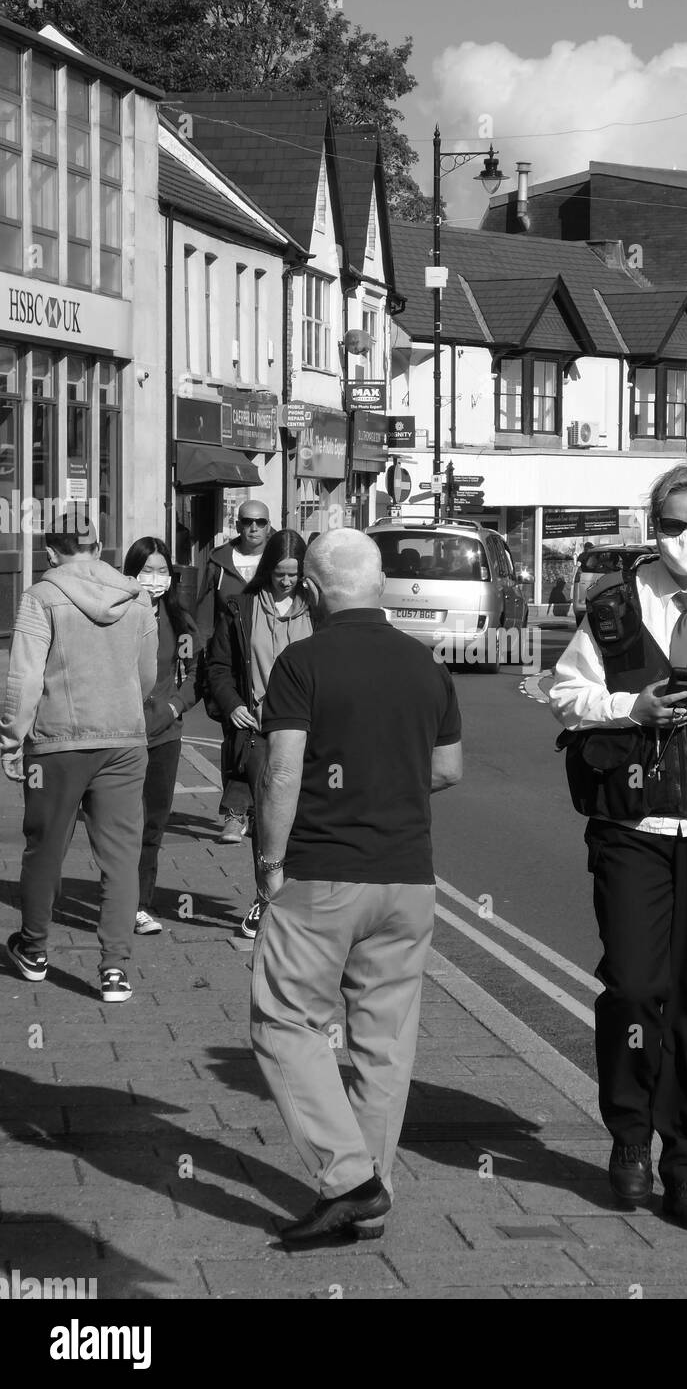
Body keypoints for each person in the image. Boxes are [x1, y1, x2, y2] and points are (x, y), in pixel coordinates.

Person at [548, 464, 687, 1230]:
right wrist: (627, 705)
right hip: (631, 830)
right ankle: (629, 1140)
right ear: (651, 525)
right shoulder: (610, 610)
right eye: (672, 525)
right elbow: (564, 693)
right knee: (634, 988)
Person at [250, 529, 462, 1242]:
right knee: (384, 1042)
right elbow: (447, 769)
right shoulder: (425, 665)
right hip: (407, 880)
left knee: (285, 1023)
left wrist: (269, 864)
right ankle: (373, 1194)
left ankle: (349, 1180)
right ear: (380, 585)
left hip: (320, 872)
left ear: (310, 592)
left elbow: (282, 770)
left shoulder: (300, 661)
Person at [0, 509, 157, 1003]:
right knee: (121, 856)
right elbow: (146, 675)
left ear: (52, 552)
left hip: (59, 742)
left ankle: (34, 949)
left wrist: (10, 737)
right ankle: (114, 969)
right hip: (125, 740)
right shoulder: (136, 598)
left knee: (45, 848)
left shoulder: (41, 597)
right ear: (99, 546)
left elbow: (24, 676)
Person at [206, 529, 314, 938]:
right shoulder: (241, 607)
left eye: (294, 574)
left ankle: (297, 898)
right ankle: (264, 898)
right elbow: (217, 666)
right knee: (268, 820)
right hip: (261, 731)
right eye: (279, 573)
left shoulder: (317, 610)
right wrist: (232, 703)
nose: (286, 581)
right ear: (267, 569)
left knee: (304, 818)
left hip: (309, 731)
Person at [122, 537, 203, 936]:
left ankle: (139, 904)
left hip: (164, 735)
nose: (154, 580)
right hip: (121, 734)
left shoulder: (179, 621)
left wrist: (175, 707)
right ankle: (116, 897)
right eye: (145, 571)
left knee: (153, 823)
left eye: (161, 571)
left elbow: (195, 678)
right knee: (120, 824)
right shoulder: (115, 614)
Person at [196, 499, 273, 845]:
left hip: (268, 658)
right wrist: (200, 654)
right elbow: (203, 615)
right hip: (229, 661)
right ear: (237, 524)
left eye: (259, 522)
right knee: (237, 737)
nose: (253, 528)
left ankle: (253, 811)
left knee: (267, 739)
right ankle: (235, 813)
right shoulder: (218, 562)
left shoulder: (278, 560)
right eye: (247, 522)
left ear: (269, 525)